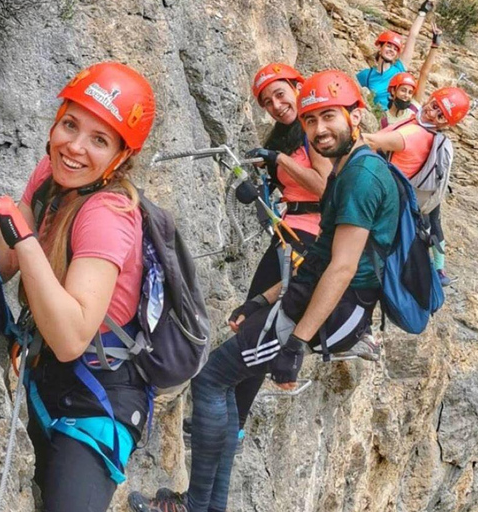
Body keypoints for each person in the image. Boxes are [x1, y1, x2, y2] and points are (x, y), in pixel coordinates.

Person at [129, 70, 399, 512]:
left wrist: (295, 341)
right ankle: (206, 506)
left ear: (357, 115)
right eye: (311, 122)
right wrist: (261, 300)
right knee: (224, 377)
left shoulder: (362, 176)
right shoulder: (347, 170)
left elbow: (342, 267)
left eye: (329, 116)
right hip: (306, 298)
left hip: (330, 309)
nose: (318, 129)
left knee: (214, 377)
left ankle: (195, 506)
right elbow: (318, 261)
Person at [0, 62, 156, 512]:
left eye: (99, 140)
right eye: (70, 125)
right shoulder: (49, 173)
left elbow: (71, 336)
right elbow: (4, 266)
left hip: (98, 399)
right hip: (48, 375)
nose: (75, 147)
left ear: (121, 157)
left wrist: (20, 234)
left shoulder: (108, 216)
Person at [226, 62, 332, 448]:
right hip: (289, 233)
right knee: (252, 319)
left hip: (308, 238)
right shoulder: (284, 135)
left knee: (259, 323)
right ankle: (232, 420)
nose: (276, 104)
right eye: (268, 101)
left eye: (280, 93)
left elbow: (325, 188)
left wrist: (279, 161)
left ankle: (232, 422)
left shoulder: (312, 132)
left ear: (298, 87)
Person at [363, 86, 471, 286]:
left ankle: (438, 269)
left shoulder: (416, 133)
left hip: (384, 195)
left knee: (433, 223)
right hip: (408, 194)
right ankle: (437, 269)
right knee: (433, 223)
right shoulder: (416, 121)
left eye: (440, 116)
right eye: (434, 106)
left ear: (446, 124)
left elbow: (369, 141)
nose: (432, 114)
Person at [356, 0, 434, 110]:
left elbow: (412, 36)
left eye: (395, 49)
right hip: (377, 118)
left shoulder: (399, 69)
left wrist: (423, 12)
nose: (392, 50)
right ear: (380, 47)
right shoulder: (366, 75)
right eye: (388, 46)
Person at [381, 24, 443, 128]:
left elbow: (424, 74)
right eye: (403, 90)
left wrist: (434, 46)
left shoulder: (413, 108)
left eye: (410, 92)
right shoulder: (384, 119)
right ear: (393, 91)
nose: (406, 95)